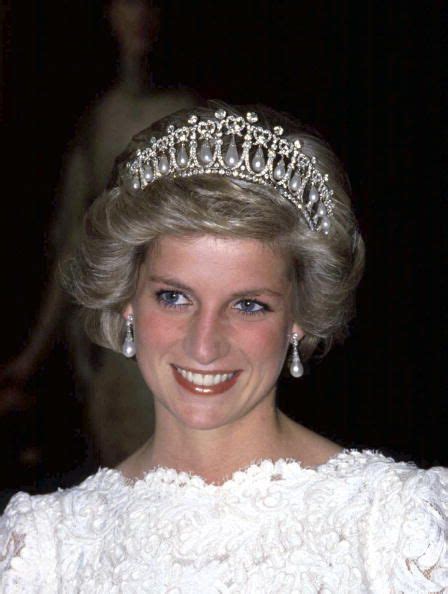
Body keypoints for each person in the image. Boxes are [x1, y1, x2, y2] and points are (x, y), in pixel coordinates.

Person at [1, 103, 447, 592]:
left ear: (299, 317)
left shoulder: (397, 526)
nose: (204, 345)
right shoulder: (43, 547)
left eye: (249, 305)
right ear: (128, 300)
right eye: (174, 297)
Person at [2, 0, 198, 467]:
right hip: (113, 346)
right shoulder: (101, 118)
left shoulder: (188, 114)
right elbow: (75, 248)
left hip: (175, 340)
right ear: (109, 16)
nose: (141, 16)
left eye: (151, 5)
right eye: (128, 4)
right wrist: (32, 356)